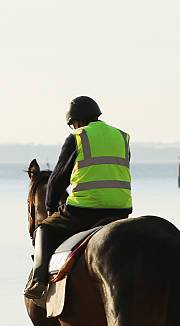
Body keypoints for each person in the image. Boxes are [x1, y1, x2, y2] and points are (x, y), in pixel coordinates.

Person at [24, 96, 132, 299]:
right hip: (121, 211)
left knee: (44, 229)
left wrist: (50, 208)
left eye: (73, 125)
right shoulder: (122, 136)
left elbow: (58, 180)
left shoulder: (78, 137)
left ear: (77, 121)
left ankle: (38, 280)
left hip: (84, 211)